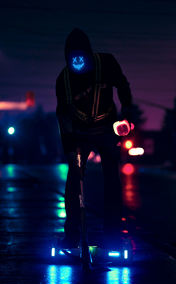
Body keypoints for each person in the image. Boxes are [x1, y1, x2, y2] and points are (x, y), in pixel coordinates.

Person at [56, 28, 134, 249]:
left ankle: (112, 236)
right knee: (74, 180)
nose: (78, 62)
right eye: (73, 59)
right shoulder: (64, 80)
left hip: (107, 129)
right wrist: (69, 148)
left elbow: (123, 86)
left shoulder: (106, 63)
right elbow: (62, 116)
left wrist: (127, 114)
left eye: (82, 57)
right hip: (80, 132)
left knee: (111, 179)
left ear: (89, 54)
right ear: (67, 58)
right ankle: (72, 235)